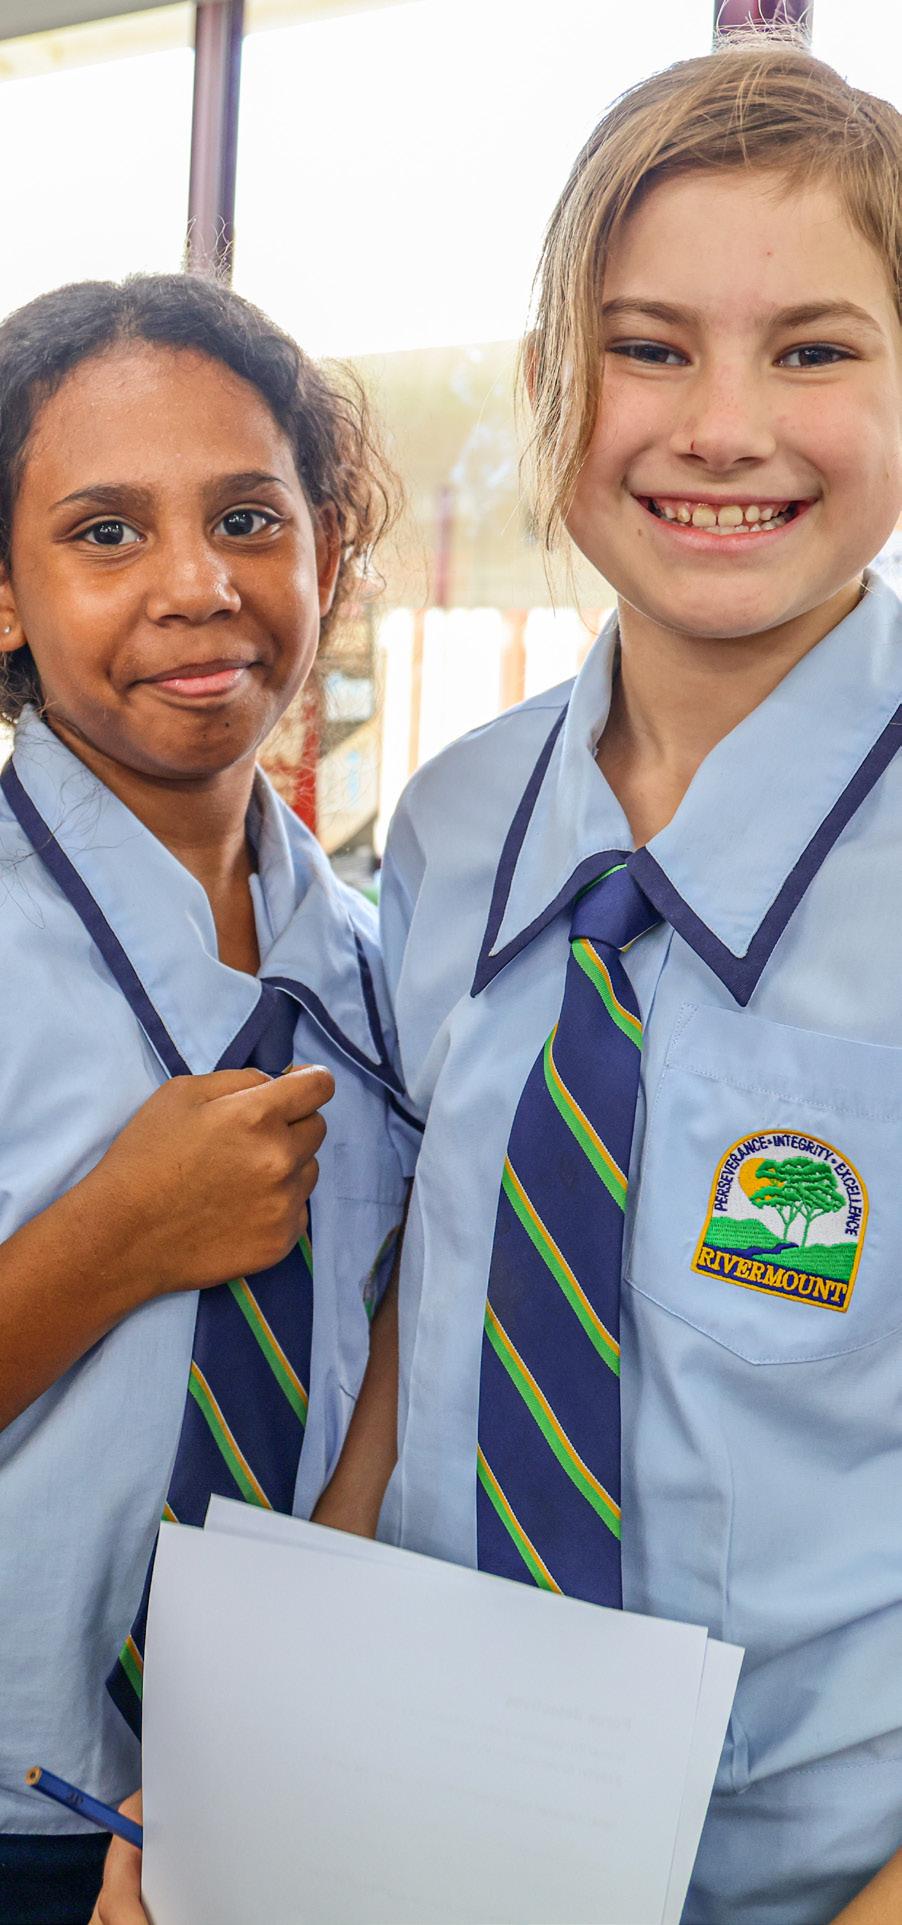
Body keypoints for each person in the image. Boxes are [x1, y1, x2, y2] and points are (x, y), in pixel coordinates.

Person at [371, 32, 902, 1925]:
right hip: (419, 1841)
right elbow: (409, 1336)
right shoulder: (448, 826)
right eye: (647, 346)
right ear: (551, 384)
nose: (722, 426)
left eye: (813, 350)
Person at [0, 273, 415, 1925]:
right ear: (6, 591)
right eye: (106, 533)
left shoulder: (386, 972)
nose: (196, 584)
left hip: (269, 1793)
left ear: (329, 553)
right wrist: (112, 1236)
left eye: (248, 518)